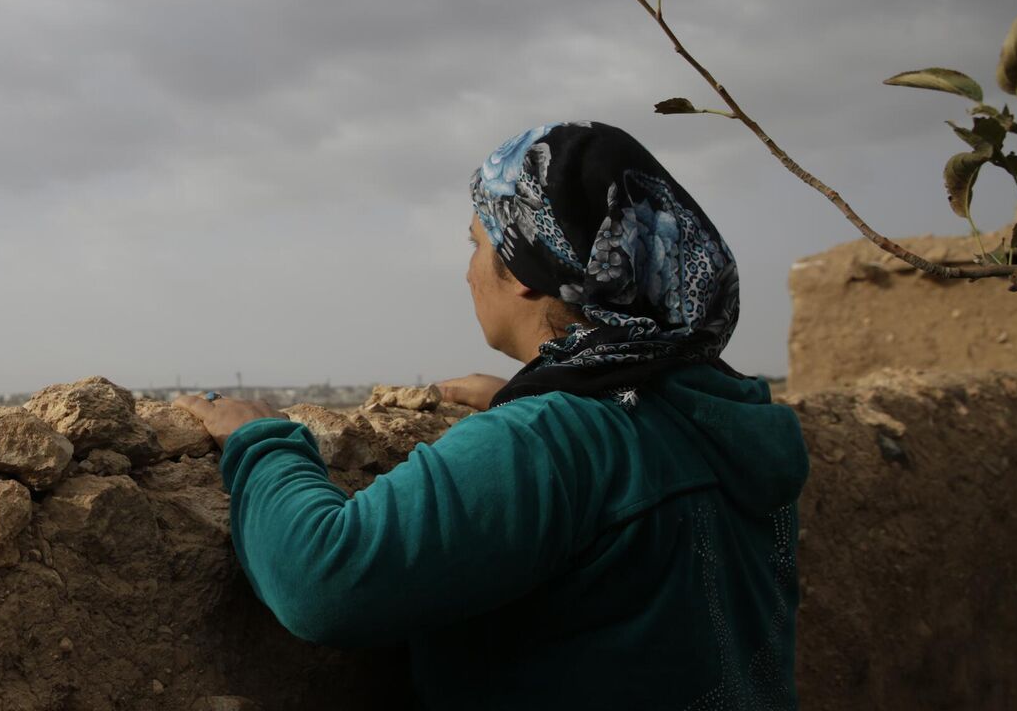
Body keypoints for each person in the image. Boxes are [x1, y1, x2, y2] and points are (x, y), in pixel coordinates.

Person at [175, 122, 808, 709]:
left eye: (478, 244)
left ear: (528, 270)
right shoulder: (722, 410)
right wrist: (528, 395)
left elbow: (322, 581)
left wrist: (259, 440)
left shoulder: (551, 440)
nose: (468, 271)